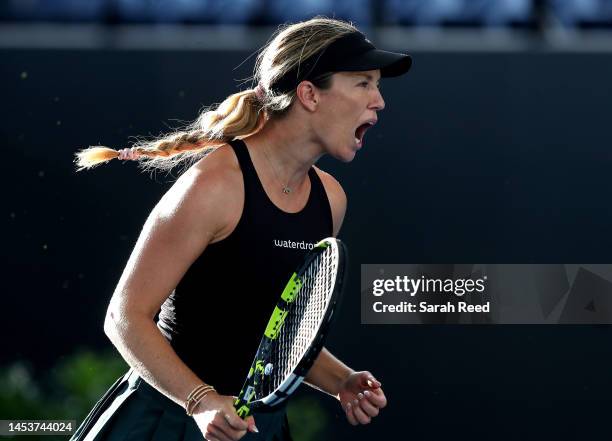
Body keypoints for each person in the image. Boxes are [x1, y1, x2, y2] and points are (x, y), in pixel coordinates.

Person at [71, 16, 411, 441]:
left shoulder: (331, 200)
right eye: (363, 83)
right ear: (309, 94)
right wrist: (200, 400)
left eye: (377, 85)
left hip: (255, 425)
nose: (379, 101)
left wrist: (340, 380)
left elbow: (274, 329)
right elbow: (124, 317)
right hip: (169, 418)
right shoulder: (213, 186)